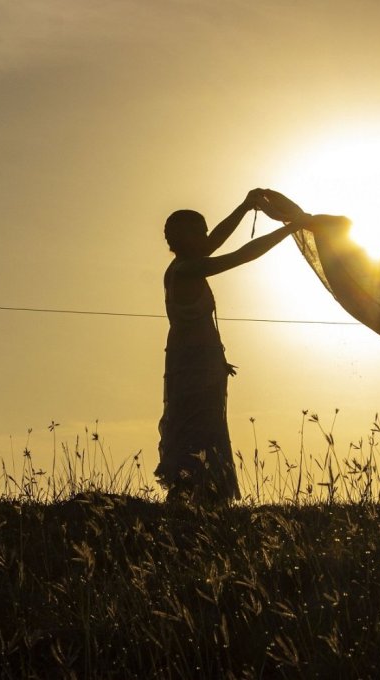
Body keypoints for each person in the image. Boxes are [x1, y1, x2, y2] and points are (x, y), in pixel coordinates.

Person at [156, 188, 309, 505]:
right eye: (201, 231)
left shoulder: (186, 265)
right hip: (193, 363)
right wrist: (290, 228)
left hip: (201, 361)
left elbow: (214, 244)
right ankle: (193, 492)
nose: (207, 237)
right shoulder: (186, 270)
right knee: (197, 426)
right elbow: (241, 255)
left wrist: (244, 206)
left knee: (204, 424)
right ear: (184, 237)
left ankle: (203, 496)